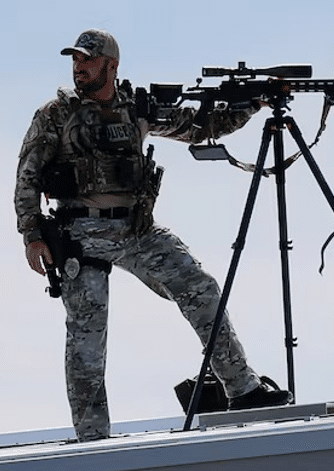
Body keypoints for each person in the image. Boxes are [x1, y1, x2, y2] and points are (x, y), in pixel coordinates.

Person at [14, 29, 291, 442]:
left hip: (136, 229)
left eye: (87, 60)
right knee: (87, 338)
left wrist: (253, 104)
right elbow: (27, 176)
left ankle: (242, 389)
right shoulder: (55, 114)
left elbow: (201, 127)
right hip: (79, 232)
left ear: (111, 65)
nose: (79, 68)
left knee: (199, 286)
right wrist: (32, 234)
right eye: (75, 60)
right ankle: (93, 439)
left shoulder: (136, 108)